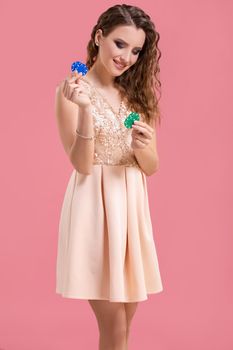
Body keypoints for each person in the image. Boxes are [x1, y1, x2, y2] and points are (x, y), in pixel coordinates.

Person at [55, 4, 163, 350]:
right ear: (99, 37)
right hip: (95, 211)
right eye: (120, 44)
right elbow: (82, 164)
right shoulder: (71, 90)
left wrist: (142, 146)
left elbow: (151, 166)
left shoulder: (137, 96)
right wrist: (85, 110)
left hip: (131, 211)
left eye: (135, 50)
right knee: (114, 326)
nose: (127, 58)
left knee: (125, 327)